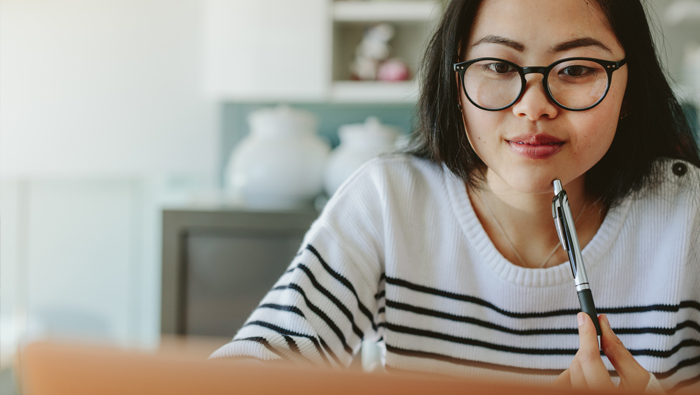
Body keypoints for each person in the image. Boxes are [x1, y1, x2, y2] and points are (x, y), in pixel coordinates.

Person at [210, 0, 700, 392]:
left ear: (630, 88)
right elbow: (250, 370)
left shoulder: (689, 214)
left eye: (575, 70)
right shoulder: (389, 201)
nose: (533, 106)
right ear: (456, 80)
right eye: (498, 65)